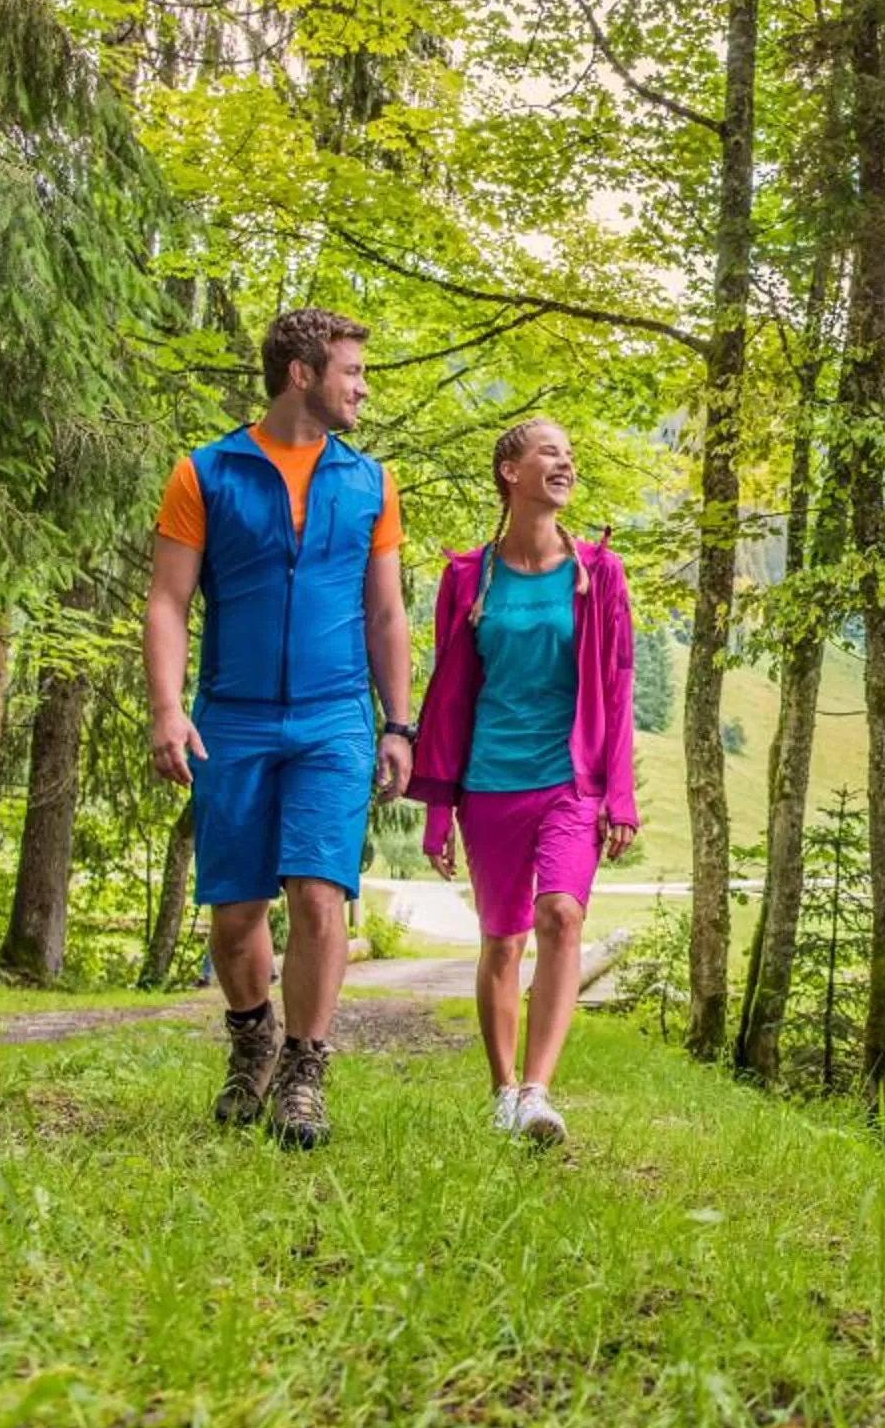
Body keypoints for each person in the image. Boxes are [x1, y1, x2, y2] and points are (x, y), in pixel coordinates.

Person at [143, 309, 412, 1150]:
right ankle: (252, 1035)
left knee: (319, 892)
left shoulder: (370, 482)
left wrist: (397, 725)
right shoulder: (205, 473)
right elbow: (168, 601)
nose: (362, 387)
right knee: (235, 913)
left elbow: (386, 613)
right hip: (234, 716)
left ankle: (303, 1071)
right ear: (301, 373)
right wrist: (167, 707)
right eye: (351, 372)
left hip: (335, 719)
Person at [409, 418, 639, 1147]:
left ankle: (539, 1091)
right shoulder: (468, 579)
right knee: (502, 941)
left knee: (562, 916)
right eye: (550, 452)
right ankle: (503, 1090)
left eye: (571, 453)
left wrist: (619, 794)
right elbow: (450, 694)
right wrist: (439, 808)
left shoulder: (598, 573)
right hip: (489, 782)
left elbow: (619, 682)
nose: (566, 462)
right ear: (511, 471)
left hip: (569, 781)